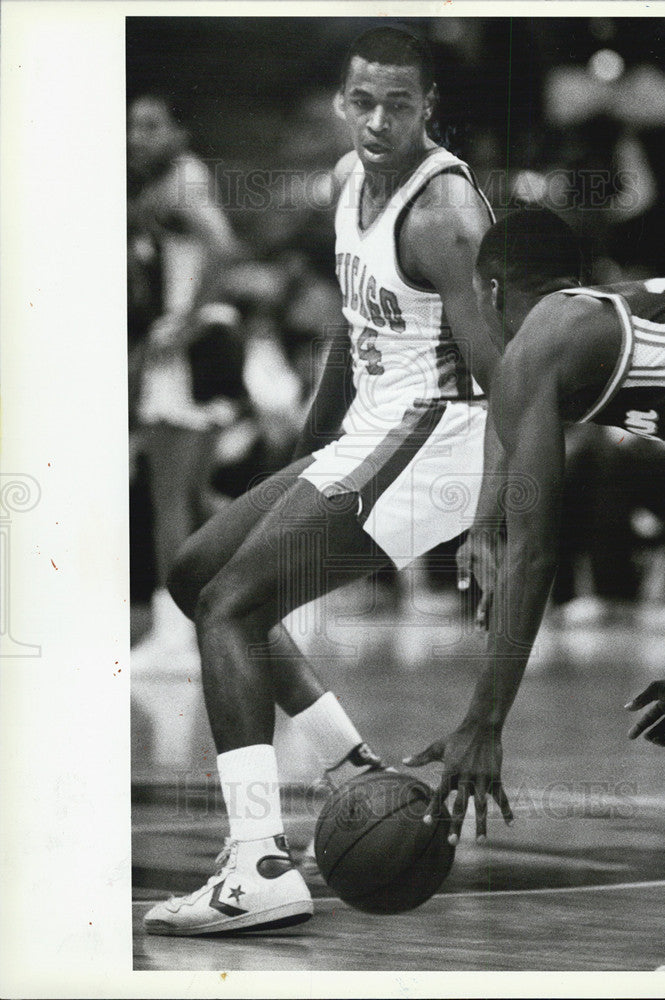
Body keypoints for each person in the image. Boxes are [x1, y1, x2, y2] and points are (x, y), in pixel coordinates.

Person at [144, 27, 498, 936]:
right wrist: (306, 449)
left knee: (231, 607)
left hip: (440, 443)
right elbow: (349, 326)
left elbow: (508, 378)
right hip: (372, 433)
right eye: (362, 101)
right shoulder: (348, 181)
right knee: (195, 574)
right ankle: (350, 769)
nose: (377, 121)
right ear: (345, 101)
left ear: (429, 109)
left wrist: (497, 514)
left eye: (399, 104)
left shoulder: (443, 213)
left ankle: (256, 862)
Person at [407, 206, 665, 972]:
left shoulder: (534, 343)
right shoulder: (592, 319)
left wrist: (482, 723)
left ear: (491, 288)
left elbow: (536, 553)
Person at [128, 94, 243, 664]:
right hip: (200, 342)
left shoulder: (181, 179)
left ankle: (175, 636)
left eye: (151, 125)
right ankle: (276, 576)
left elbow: (222, 246)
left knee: (167, 497)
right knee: (194, 495)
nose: (137, 136)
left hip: (189, 347)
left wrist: (186, 324)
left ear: (179, 128)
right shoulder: (166, 184)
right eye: (132, 126)